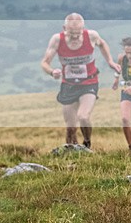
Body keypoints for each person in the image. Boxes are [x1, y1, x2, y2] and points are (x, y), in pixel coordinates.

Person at [40, 13, 120, 149]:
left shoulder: (91, 36)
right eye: (72, 33)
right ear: (64, 28)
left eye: (78, 33)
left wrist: (110, 61)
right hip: (69, 84)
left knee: (83, 117)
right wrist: (52, 72)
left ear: (83, 28)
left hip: (89, 82)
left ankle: (87, 142)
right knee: (70, 128)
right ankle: (71, 152)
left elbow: (102, 44)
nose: (75, 36)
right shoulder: (57, 40)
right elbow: (44, 62)